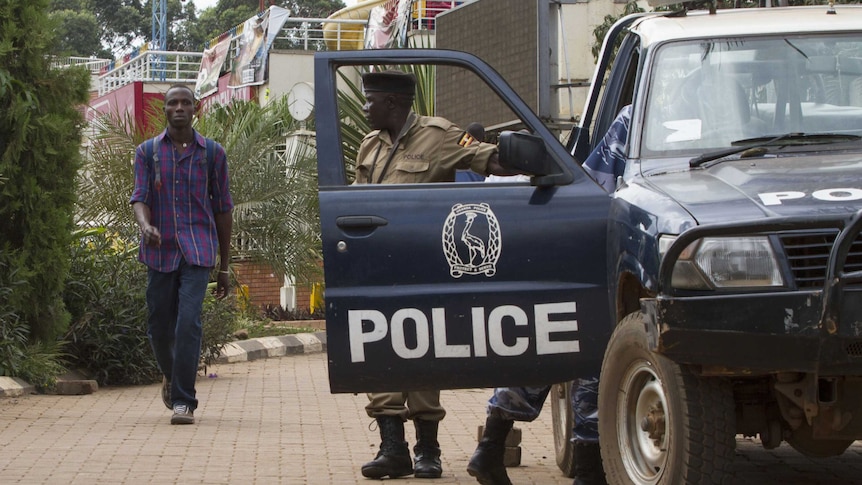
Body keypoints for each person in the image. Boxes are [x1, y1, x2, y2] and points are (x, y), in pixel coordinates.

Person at [355, 70, 513, 480]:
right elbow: (353, 203)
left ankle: (428, 450)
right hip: (378, 267)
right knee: (379, 352)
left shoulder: (441, 135)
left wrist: (524, 154)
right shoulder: (369, 145)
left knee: (421, 351)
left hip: (424, 267)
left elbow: (488, 158)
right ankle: (393, 448)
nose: (365, 107)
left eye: (370, 100)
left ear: (392, 102)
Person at [467, 105, 632, 485]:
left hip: (597, 254)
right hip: (607, 253)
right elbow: (597, 185)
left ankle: (491, 446)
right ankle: (588, 471)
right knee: (587, 354)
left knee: (542, 346)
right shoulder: (635, 116)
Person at [130, 84, 233, 426]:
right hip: (160, 251)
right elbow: (140, 196)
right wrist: (145, 226)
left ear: (195, 108)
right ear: (164, 109)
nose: (178, 108)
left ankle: (183, 401)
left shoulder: (212, 154)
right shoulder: (148, 152)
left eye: (184, 103)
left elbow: (223, 209)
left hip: (198, 250)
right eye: (172, 103)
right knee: (159, 325)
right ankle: (171, 375)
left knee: (188, 323)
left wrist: (225, 268)